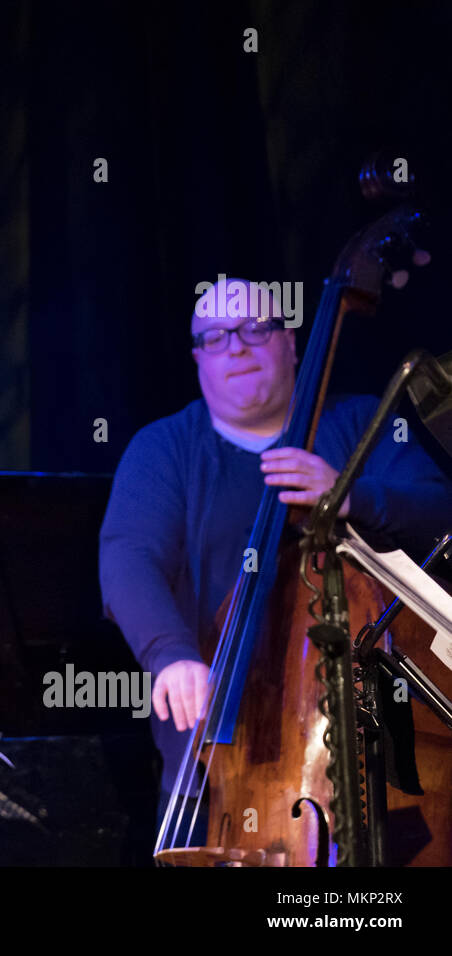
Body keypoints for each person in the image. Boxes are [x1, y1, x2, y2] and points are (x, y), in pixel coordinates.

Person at [98, 277, 452, 836]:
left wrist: (349, 494)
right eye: (214, 337)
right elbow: (128, 559)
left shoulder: (364, 420)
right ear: (197, 359)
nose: (235, 347)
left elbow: (440, 508)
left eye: (254, 329)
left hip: (379, 754)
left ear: (291, 342)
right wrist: (171, 654)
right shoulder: (164, 448)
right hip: (216, 765)